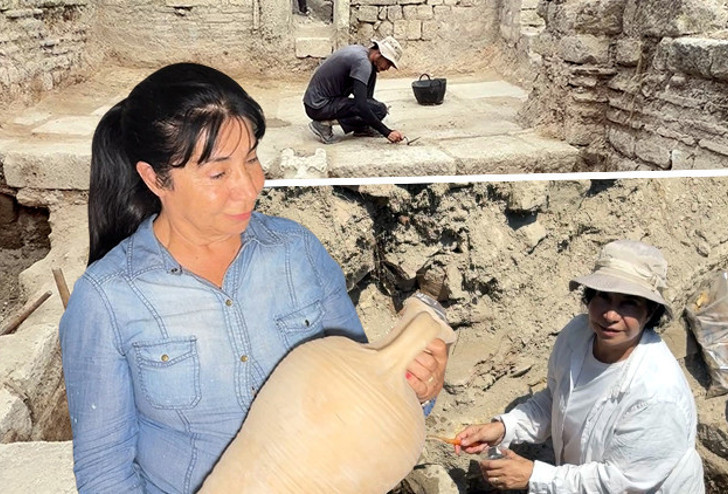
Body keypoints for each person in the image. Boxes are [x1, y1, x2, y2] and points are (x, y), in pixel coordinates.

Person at [59, 62, 448, 493]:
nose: (249, 187)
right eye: (218, 173)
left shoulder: (296, 253)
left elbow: (357, 404)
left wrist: (419, 387)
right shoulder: (106, 299)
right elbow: (104, 473)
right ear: (155, 178)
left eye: (252, 159)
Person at [455, 240, 705, 493]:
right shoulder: (577, 335)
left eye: (629, 303)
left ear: (650, 312)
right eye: (603, 297)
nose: (610, 315)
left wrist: (534, 476)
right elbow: (556, 400)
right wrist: (503, 428)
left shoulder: (657, 394)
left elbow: (618, 482)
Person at [303, 36, 405, 144]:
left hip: (318, 103)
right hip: (318, 107)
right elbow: (360, 105)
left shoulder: (363, 54)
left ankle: (362, 128)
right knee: (376, 109)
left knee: (378, 109)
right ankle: (323, 124)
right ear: (379, 54)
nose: (387, 68)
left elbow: (366, 100)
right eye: (388, 63)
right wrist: (387, 132)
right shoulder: (363, 63)